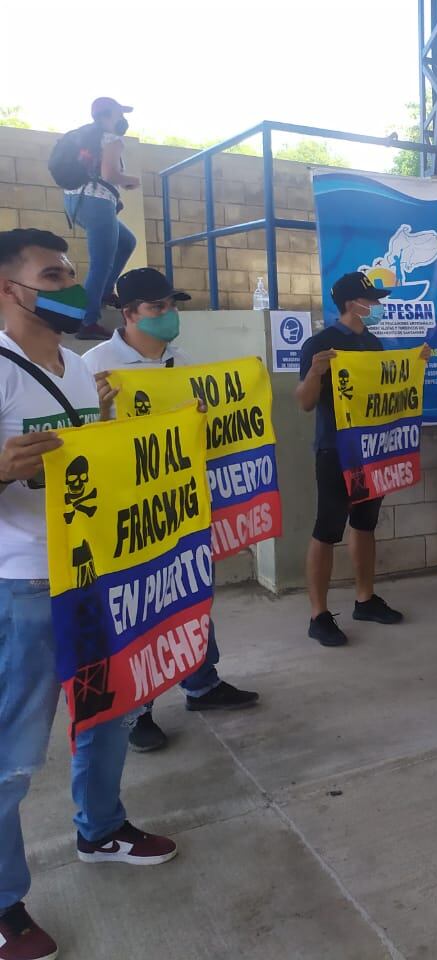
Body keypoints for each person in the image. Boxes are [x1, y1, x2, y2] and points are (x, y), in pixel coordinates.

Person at [0, 229, 177, 960]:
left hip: (95, 570)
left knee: (110, 708)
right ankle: (6, 901)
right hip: (24, 585)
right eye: (53, 274)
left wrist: (109, 429)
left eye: (73, 270)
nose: (72, 284)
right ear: (9, 286)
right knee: (12, 753)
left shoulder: (76, 368)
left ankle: (100, 827)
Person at [83, 268, 259, 753]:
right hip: (129, 508)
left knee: (189, 589)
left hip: (181, 503)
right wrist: (98, 411)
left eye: (171, 305)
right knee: (139, 605)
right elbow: (82, 446)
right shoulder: (95, 367)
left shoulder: (183, 364)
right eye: (157, 308)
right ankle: (136, 709)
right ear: (130, 313)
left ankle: (202, 682)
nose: (168, 315)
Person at [297, 271, 409, 648]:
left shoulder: (373, 343)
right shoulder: (321, 343)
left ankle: (365, 598)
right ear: (351, 303)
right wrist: (315, 371)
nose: (376, 306)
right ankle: (318, 614)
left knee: (365, 523)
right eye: (371, 300)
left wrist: (415, 363)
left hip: (370, 450)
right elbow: (304, 401)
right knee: (327, 528)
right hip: (335, 449)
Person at [62, 98, 140, 342]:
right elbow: (109, 173)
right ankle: (87, 320)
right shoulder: (110, 138)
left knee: (126, 241)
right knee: (101, 262)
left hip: (76, 201)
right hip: (97, 203)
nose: (123, 119)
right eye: (120, 114)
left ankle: (105, 292)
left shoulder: (86, 138)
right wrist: (130, 180)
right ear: (109, 116)